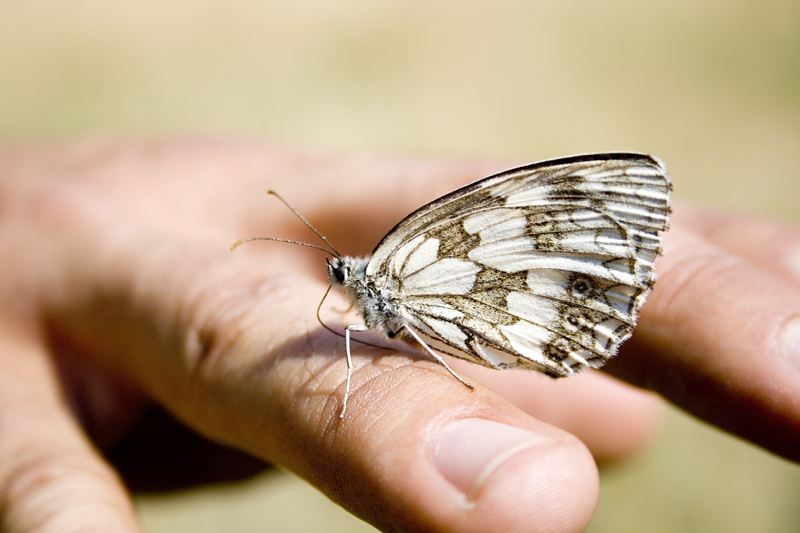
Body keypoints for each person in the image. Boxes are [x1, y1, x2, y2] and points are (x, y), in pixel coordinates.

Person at [1, 139, 798, 533]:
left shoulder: (392, 271)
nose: (338, 284)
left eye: (340, 275)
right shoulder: (358, 295)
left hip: (532, 304)